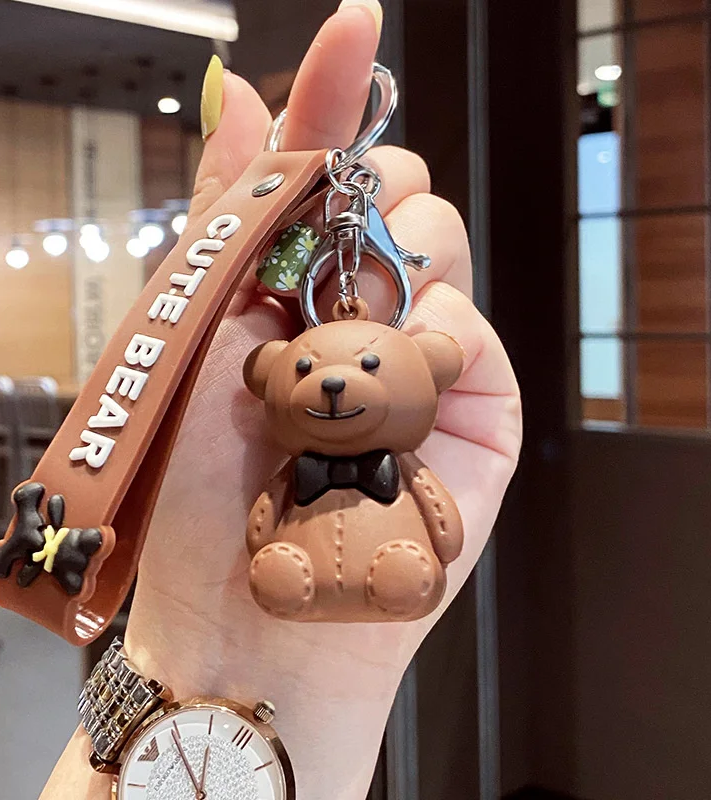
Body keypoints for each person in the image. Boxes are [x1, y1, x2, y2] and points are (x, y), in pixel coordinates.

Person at [41, 1, 521, 797]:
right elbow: (267, 509)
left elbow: (436, 513)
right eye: (305, 373)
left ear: (429, 369)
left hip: (386, 568)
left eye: (371, 368)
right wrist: (196, 638)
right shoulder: (281, 446)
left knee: (403, 567)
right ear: (266, 376)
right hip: (287, 574)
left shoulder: (402, 447)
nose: (332, 384)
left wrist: (305, 689)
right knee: (288, 564)